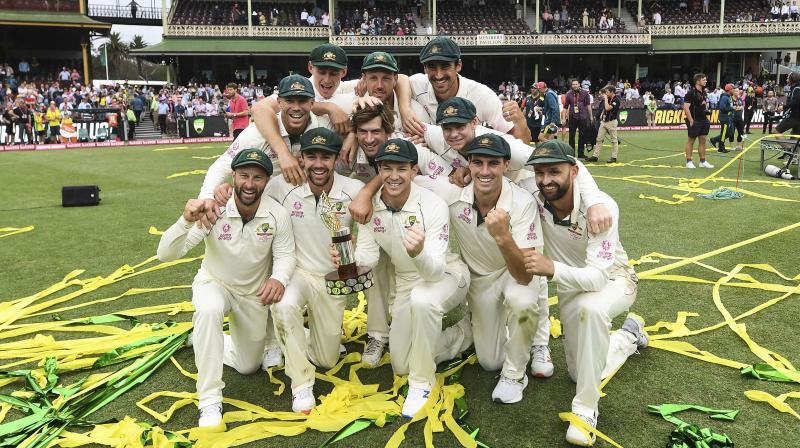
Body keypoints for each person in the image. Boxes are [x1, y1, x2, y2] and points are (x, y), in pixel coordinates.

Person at [521, 140, 647, 447]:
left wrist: (550, 268)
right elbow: (508, 151)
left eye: (555, 171)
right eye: (540, 172)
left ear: (574, 172)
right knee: (580, 372)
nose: (546, 179)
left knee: (592, 309)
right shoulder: (534, 197)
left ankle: (585, 410)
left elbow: (596, 277)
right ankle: (629, 335)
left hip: (614, 279)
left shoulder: (602, 207)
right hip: (570, 283)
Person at [157, 148, 295, 429]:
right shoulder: (214, 209)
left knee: (247, 366)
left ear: (267, 180)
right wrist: (185, 220)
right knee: (208, 309)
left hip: (252, 296)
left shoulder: (276, 214)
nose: (249, 183)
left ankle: (204, 339)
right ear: (233, 176)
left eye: (257, 177)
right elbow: (167, 254)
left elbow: (285, 255)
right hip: (215, 284)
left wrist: (278, 278)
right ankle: (209, 401)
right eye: (243, 175)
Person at [339, 138, 471, 418]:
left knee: (424, 301)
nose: (394, 176)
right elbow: (368, 258)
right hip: (407, 282)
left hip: (445, 274)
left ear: (414, 171)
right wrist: (347, 257)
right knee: (400, 364)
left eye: (402, 168)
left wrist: (419, 253)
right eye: (387, 168)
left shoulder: (433, 205)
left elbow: (433, 271)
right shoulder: (372, 206)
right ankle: (464, 334)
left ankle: (422, 382)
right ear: (379, 170)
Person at [414, 134, 543, 404]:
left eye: (493, 163)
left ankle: (515, 374)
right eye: (478, 163)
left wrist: (503, 237)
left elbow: (525, 274)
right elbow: (403, 175)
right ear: (468, 165)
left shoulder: (522, 202)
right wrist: (369, 190)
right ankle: (472, 327)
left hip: (514, 274)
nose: (485, 171)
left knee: (523, 299)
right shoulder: (451, 193)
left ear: (506, 165)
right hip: (480, 281)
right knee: (490, 361)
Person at [199, 75, 332, 204]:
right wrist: (206, 198)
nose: (296, 108)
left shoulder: (323, 130)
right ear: (279, 102)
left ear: (312, 103)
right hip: (265, 208)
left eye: (302, 101)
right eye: (289, 101)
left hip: (305, 205)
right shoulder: (257, 132)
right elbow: (222, 166)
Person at [397, 37, 531, 143]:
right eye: (432, 67)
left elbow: (521, 143)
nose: (438, 75)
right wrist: (405, 110)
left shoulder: (482, 95)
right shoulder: (419, 83)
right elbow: (400, 79)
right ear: (425, 69)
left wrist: (521, 123)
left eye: (445, 66)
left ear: (458, 65)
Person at [683, 73, 713, 168]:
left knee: (703, 140)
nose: (706, 81)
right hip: (695, 120)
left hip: (704, 119)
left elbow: (703, 104)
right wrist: (691, 120)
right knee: (691, 141)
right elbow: (686, 108)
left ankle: (702, 161)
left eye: (705, 79)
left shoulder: (703, 92)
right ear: (697, 81)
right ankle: (689, 161)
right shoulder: (691, 93)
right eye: (703, 80)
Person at [586, 86, 620, 163]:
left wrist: (605, 99)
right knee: (599, 139)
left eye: (607, 92)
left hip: (611, 122)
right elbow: (604, 109)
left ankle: (614, 157)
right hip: (604, 121)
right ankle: (595, 156)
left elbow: (607, 108)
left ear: (612, 92)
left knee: (614, 140)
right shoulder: (608, 99)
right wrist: (602, 115)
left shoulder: (616, 100)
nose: (606, 94)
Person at [564, 79, 592, 158]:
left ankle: (581, 154)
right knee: (571, 136)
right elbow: (565, 107)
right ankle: (571, 154)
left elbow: (588, 105)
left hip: (583, 117)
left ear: (579, 84)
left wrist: (591, 116)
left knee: (582, 135)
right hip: (572, 117)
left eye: (576, 84)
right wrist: (564, 117)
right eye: (573, 84)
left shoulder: (585, 93)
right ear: (571, 85)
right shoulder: (569, 94)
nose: (575, 86)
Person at [774, 71, 800, 146]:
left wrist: (783, 107)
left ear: (792, 79)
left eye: (788, 78)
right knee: (794, 139)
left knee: (776, 131)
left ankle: (787, 148)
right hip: (796, 117)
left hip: (795, 117)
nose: (786, 80)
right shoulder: (795, 88)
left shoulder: (797, 89)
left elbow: (795, 103)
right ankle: (794, 155)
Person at [710, 83, 734, 153]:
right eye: (733, 89)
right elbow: (722, 107)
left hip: (727, 117)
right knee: (725, 133)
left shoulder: (728, 97)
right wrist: (731, 108)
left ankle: (716, 141)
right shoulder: (725, 97)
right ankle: (720, 146)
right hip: (724, 117)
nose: (734, 90)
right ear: (730, 90)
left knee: (727, 133)